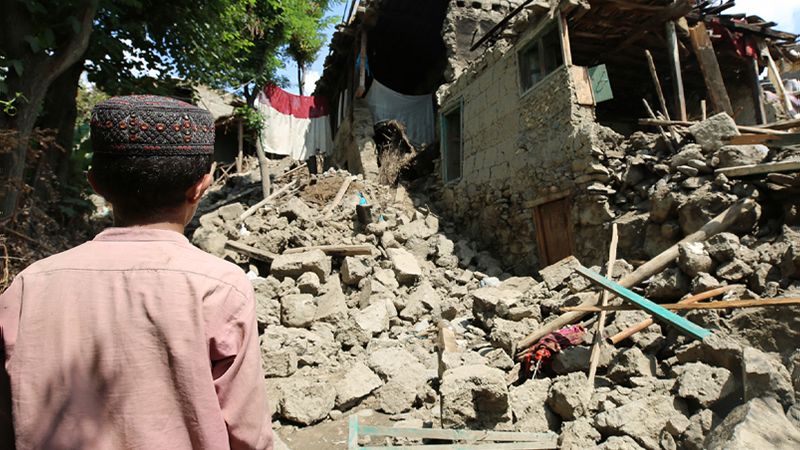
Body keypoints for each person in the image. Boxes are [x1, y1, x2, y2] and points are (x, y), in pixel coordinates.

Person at [0, 95, 273, 449]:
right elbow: (248, 436)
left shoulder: (27, 288)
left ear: (95, 183)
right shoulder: (219, 288)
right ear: (200, 187)